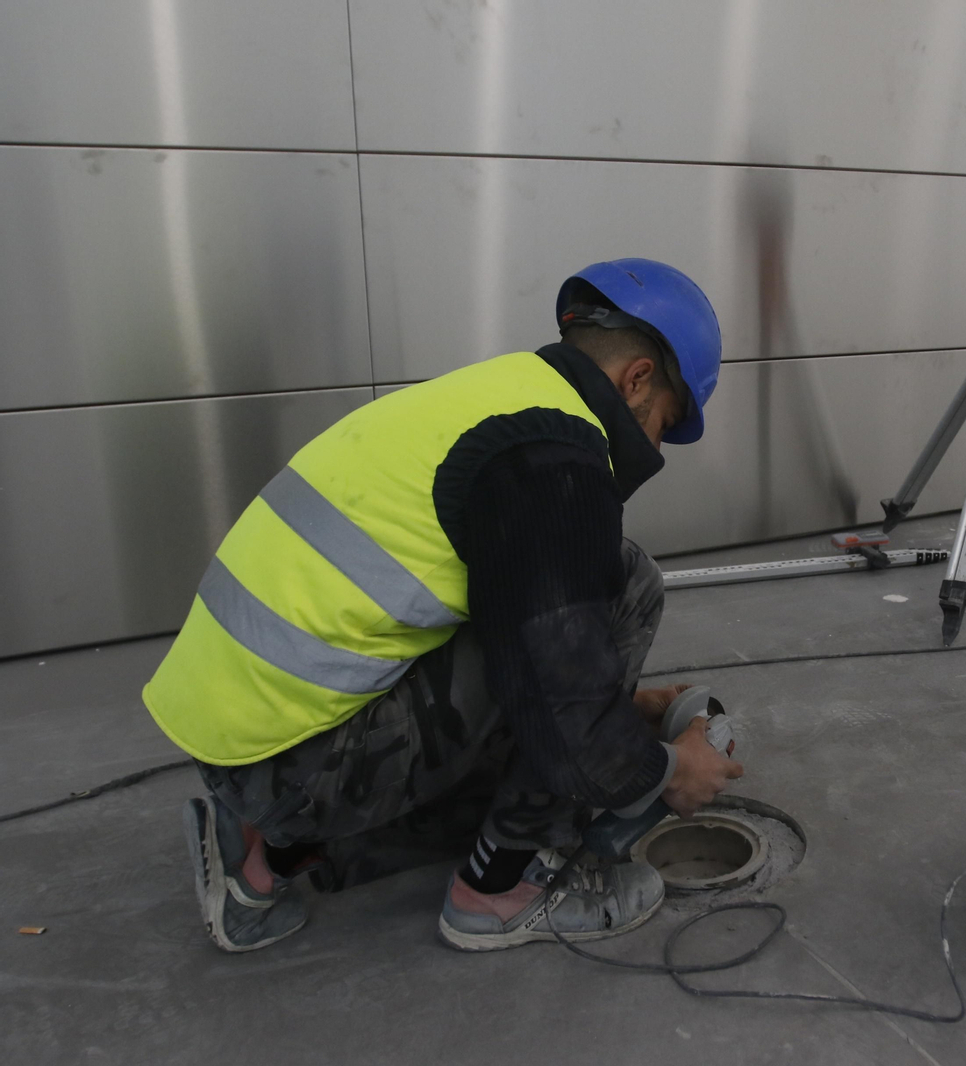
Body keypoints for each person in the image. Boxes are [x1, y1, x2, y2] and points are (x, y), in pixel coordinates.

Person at [142, 258, 744, 953]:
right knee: (621, 584)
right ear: (637, 379)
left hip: (237, 733)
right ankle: (499, 894)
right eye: (666, 422)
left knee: (541, 677)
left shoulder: (490, 398)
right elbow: (562, 708)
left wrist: (619, 704)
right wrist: (669, 771)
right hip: (297, 763)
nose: (657, 445)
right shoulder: (555, 459)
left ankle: (262, 855)